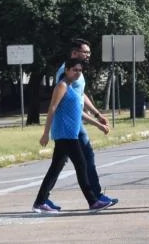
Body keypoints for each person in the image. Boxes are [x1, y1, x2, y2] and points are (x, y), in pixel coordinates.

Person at [33, 58, 114, 213]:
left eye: (80, 70)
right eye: (74, 70)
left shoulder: (73, 88)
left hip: (70, 134)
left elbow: (80, 112)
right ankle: (93, 201)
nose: (77, 73)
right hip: (65, 134)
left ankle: (40, 201)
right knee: (81, 165)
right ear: (67, 70)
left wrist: (99, 125)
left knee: (55, 168)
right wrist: (45, 133)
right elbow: (52, 109)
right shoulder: (62, 86)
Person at [52, 39, 117, 209]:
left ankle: (44, 198)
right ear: (74, 53)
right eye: (85, 52)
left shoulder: (77, 71)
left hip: (74, 123)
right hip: (70, 123)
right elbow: (71, 104)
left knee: (63, 162)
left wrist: (97, 113)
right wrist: (97, 124)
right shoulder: (66, 73)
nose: (88, 55)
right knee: (84, 159)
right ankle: (95, 197)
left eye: (89, 52)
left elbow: (81, 96)